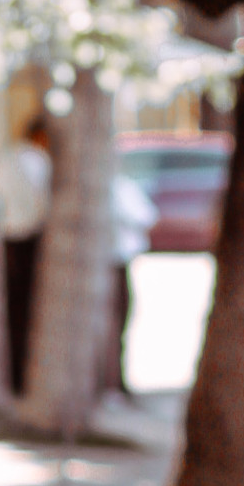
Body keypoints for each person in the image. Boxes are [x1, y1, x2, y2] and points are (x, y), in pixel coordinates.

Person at [0, 116, 51, 396]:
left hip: (7, 241)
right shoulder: (38, 162)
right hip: (28, 242)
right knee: (24, 311)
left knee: (12, 310)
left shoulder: (6, 160)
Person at [105, 166, 157, 395]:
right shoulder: (115, 187)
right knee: (113, 324)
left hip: (120, 261)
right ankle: (112, 383)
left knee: (119, 324)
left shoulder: (121, 186)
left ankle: (116, 381)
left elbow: (146, 216)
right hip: (110, 263)